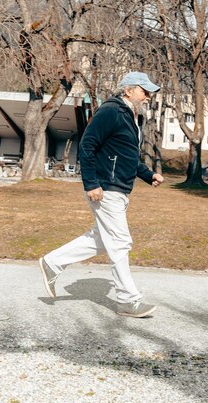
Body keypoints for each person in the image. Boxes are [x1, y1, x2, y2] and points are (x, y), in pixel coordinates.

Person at [38, 71, 164, 318]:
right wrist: (91, 183)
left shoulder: (129, 116)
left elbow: (127, 157)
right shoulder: (111, 111)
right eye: (144, 91)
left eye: (149, 92)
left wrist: (149, 175)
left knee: (100, 239)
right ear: (128, 90)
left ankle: (52, 263)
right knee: (120, 242)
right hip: (105, 188)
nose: (148, 96)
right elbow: (87, 144)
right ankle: (128, 300)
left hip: (118, 188)